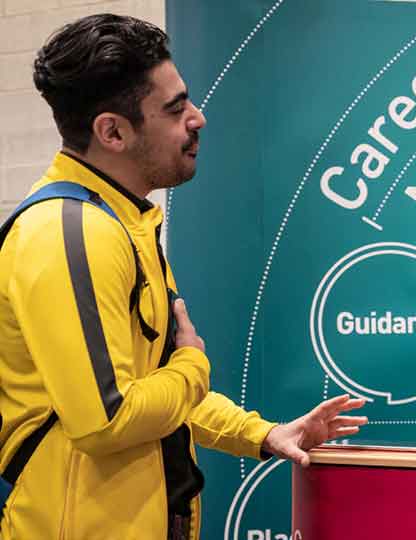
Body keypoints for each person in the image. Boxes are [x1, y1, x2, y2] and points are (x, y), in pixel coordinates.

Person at [0, 14, 367, 539]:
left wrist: (264, 433)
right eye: (175, 110)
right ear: (113, 131)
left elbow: (161, 395)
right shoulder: (72, 232)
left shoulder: (123, 222)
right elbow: (109, 419)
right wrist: (193, 363)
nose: (198, 118)